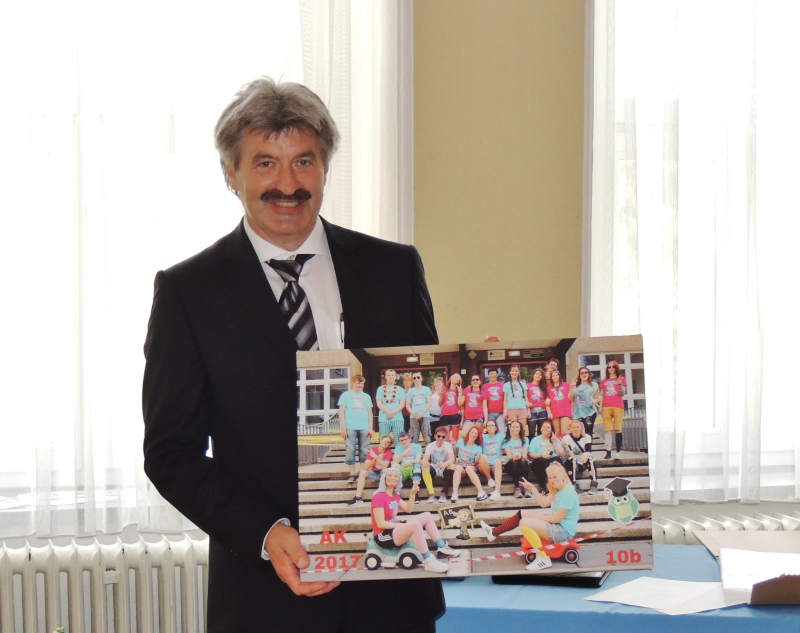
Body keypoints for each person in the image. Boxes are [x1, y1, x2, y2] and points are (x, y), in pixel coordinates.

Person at [142, 78, 443, 632]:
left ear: (325, 168)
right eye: (265, 163)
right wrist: (264, 533)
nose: (288, 184)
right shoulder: (189, 293)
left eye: (304, 161)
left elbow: (424, 409)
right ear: (230, 174)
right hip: (264, 600)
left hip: (393, 598)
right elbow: (171, 453)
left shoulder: (395, 270)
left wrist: (480, 382)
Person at [480, 462, 580, 572]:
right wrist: (532, 488)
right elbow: (543, 503)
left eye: (555, 477)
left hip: (562, 531)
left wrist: (539, 517)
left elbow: (557, 519)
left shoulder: (568, 493)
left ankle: (543, 558)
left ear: (563, 475)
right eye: (550, 477)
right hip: (556, 526)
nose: (552, 480)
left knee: (524, 523)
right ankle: (494, 532)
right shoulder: (557, 489)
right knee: (522, 513)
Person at [370, 466, 459, 573]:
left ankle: (442, 547)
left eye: (396, 476)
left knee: (426, 515)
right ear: (384, 478)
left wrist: (412, 493)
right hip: (383, 536)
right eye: (390, 475)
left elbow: (408, 509)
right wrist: (401, 525)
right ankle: (429, 561)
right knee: (415, 525)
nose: (393, 478)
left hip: (394, 530)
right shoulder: (379, 497)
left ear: (399, 480)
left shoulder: (395, 496)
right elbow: (381, 524)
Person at [338, 374, 374, 484]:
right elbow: (341, 412)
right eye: (358, 382)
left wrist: (370, 428)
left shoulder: (366, 397)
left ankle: (362, 473)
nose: (360, 385)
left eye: (362, 383)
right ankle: (352, 474)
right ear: (353, 382)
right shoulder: (345, 395)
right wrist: (343, 427)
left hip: (364, 426)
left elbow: (369, 412)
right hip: (350, 427)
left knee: (364, 450)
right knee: (350, 449)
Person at [347, 434, 394, 506]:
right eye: (385, 441)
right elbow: (366, 466)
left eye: (388, 442)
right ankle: (358, 497)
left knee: (385, 470)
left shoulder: (389, 452)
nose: (386, 443)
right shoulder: (373, 451)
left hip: (383, 474)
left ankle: (386, 496)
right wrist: (376, 458)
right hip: (374, 472)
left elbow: (384, 466)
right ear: (381, 441)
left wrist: (376, 457)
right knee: (363, 472)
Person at [451, 426, 488, 502]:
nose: (473, 434)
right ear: (468, 433)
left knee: (468, 468)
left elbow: (476, 463)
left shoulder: (478, 448)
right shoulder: (461, 441)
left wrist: (476, 461)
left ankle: (481, 491)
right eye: (472, 432)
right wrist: (453, 446)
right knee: (458, 467)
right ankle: (455, 493)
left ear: (477, 436)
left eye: (475, 433)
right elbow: (455, 452)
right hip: (461, 466)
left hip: (471, 466)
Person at [526, 420, 564, 492]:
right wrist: (541, 455)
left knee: (556, 460)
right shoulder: (535, 440)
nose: (546, 428)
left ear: (551, 430)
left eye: (548, 427)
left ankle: (558, 485)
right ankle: (544, 486)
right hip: (540, 460)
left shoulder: (555, 439)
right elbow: (531, 454)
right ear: (541, 429)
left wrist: (555, 442)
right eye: (544, 427)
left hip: (552, 460)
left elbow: (561, 454)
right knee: (542, 461)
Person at [562, 420, 598, 494]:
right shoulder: (566, 438)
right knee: (572, 460)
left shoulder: (587, 437)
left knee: (591, 459)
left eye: (578, 427)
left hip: (583, 461)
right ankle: (573, 484)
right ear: (570, 429)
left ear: (581, 428)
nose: (576, 429)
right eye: (573, 427)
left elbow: (588, 451)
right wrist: (566, 448)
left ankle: (594, 483)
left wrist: (585, 455)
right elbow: (570, 455)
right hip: (572, 461)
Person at [601, 360, 628, 459]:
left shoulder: (621, 379)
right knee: (607, 430)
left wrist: (619, 384)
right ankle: (608, 452)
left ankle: (618, 452)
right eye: (609, 367)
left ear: (616, 368)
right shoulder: (604, 381)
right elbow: (602, 394)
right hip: (606, 406)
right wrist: (601, 407)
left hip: (617, 406)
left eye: (613, 367)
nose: (611, 369)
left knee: (618, 429)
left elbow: (623, 394)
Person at [421, 428, 456, 504]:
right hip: (434, 466)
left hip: (444, 466)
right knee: (424, 467)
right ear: (435, 436)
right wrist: (425, 462)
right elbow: (425, 458)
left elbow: (452, 459)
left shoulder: (448, 445)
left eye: (443, 437)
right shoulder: (430, 445)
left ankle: (444, 493)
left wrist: (444, 464)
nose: (441, 438)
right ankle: (431, 493)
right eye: (439, 436)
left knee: (452, 466)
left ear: (445, 438)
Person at [476, 417, 505, 501]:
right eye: (488, 426)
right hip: (485, 465)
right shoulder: (483, 437)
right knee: (483, 456)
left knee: (498, 461)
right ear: (486, 428)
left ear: (496, 427)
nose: (491, 427)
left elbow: (507, 446)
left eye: (492, 425)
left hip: (495, 465)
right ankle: (489, 479)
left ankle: (497, 491)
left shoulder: (501, 436)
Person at [376, 369, 407, 445]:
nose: (390, 377)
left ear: (395, 377)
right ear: (385, 377)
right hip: (384, 418)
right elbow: (379, 403)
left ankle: (399, 453)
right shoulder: (380, 389)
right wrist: (388, 412)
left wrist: (393, 413)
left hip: (397, 418)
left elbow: (402, 404)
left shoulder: (400, 389)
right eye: (388, 375)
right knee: (384, 441)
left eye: (392, 375)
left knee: (399, 440)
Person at [570, 366, 600, 438]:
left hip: (590, 412)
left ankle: (588, 445)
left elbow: (597, 398)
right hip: (578, 413)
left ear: (589, 374)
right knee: (579, 432)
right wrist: (571, 388)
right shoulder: (576, 386)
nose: (584, 374)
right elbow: (571, 399)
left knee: (588, 432)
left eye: (586, 372)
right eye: (582, 373)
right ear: (579, 375)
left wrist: (594, 402)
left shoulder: (593, 385)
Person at [502, 420, 528, 498]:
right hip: (511, 465)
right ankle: (517, 487)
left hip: (522, 464)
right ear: (510, 428)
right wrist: (515, 456)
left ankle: (526, 487)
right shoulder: (507, 441)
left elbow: (525, 455)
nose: (515, 429)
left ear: (520, 428)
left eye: (517, 427)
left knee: (522, 460)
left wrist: (520, 455)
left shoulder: (525, 440)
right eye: (513, 427)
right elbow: (510, 456)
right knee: (515, 460)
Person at [406, 372, 433, 444]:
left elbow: (429, 403)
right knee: (414, 438)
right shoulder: (410, 391)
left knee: (427, 437)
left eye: (418, 377)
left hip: (425, 415)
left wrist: (422, 413)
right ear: (412, 380)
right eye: (414, 378)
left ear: (421, 378)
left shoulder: (426, 389)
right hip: (414, 416)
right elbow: (407, 405)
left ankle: (427, 451)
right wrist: (413, 413)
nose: (416, 379)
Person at [503, 365, 529, 437]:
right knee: (512, 428)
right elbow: (505, 400)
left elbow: (526, 398)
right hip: (511, 408)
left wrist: (528, 410)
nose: (514, 372)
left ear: (518, 373)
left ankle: (522, 441)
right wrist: (505, 411)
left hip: (522, 407)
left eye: (516, 371)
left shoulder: (523, 384)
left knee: (522, 429)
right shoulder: (506, 385)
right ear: (510, 372)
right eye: (513, 371)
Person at [439, 373, 463, 445]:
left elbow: (460, 405)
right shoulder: (444, 390)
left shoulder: (459, 390)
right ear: (450, 379)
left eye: (457, 378)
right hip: (445, 414)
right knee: (446, 438)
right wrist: (441, 396)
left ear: (459, 381)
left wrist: (460, 393)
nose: (455, 378)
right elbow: (440, 404)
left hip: (455, 414)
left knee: (455, 438)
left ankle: (455, 451)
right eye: (454, 377)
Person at [526, 368, 550, 437]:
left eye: (540, 374)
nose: (538, 376)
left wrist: (548, 399)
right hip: (532, 411)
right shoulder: (527, 385)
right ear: (533, 375)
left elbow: (548, 396)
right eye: (536, 374)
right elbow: (524, 397)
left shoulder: (544, 386)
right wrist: (527, 403)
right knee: (531, 433)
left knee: (541, 432)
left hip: (542, 411)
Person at [460, 374, 485, 440]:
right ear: (471, 382)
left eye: (477, 379)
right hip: (468, 418)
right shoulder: (466, 390)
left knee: (479, 437)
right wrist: (460, 392)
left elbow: (485, 407)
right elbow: (460, 403)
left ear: (480, 382)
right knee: (464, 435)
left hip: (479, 417)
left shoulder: (483, 392)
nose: (475, 381)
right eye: (473, 380)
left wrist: (486, 419)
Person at [547, 369, 572, 436]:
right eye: (553, 376)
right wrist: (549, 412)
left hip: (565, 410)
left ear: (559, 376)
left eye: (556, 375)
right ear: (551, 378)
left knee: (564, 431)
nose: (555, 377)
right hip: (554, 411)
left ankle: (565, 443)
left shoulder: (566, 385)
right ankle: (558, 443)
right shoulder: (549, 387)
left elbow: (571, 399)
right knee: (557, 432)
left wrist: (572, 410)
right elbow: (547, 402)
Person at [481, 368, 506, 434]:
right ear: (488, 375)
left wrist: (505, 411)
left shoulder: (502, 385)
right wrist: (486, 417)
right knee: (491, 432)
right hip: (490, 413)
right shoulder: (485, 387)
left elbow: (506, 399)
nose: (493, 375)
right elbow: (484, 403)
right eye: (491, 374)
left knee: (502, 432)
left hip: (501, 413)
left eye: (494, 374)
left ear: (497, 375)